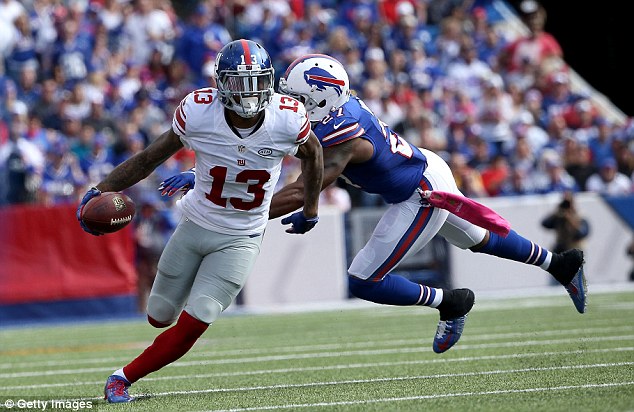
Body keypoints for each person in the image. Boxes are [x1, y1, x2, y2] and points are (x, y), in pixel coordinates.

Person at [165, 54, 587, 356]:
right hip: (423, 168)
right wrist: (211, 177)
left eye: (296, 97)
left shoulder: (341, 138)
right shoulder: (334, 114)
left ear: (320, 101)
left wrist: (226, 207)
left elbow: (299, 190)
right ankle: (560, 264)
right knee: (476, 239)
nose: (285, 103)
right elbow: (261, 157)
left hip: (417, 194)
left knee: (363, 281)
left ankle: (451, 302)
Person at [75, 39, 323, 403]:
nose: (249, 92)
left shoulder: (287, 118)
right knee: (158, 315)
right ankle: (167, 316)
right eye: (239, 82)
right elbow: (149, 159)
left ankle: (122, 378)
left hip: (242, 234)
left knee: (201, 314)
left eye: (256, 82)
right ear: (222, 84)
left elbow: (314, 154)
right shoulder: (198, 110)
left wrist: (311, 207)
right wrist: (100, 188)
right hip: (195, 223)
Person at [541, 191, 590, 255]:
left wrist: (570, 219)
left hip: (575, 249)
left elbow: (581, 233)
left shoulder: (580, 217)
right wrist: (556, 213)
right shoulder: (559, 216)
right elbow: (545, 224)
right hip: (561, 248)